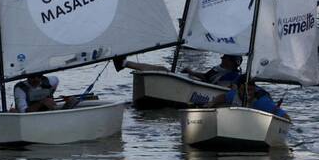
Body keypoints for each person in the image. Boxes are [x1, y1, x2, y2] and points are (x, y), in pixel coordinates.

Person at [113, 53, 243, 86]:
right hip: (194, 82)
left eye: (225, 57)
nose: (221, 58)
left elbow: (215, 84)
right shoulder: (219, 69)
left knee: (162, 69)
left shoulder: (232, 75)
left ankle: (124, 63)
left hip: (197, 87)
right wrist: (191, 73)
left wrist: (192, 74)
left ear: (231, 62)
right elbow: (206, 77)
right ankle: (124, 63)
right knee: (161, 68)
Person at [214, 76, 288, 118]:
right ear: (238, 90)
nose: (247, 93)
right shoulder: (234, 95)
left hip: (260, 116)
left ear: (255, 90)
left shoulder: (261, 102)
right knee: (221, 106)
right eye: (244, 90)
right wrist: (210, 104)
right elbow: (223, 97)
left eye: (250, 90)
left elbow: (285, 116)